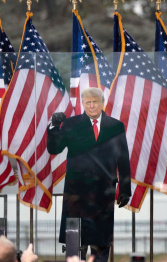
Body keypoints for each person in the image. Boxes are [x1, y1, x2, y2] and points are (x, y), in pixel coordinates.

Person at [47, 87, 131, 262]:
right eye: (88, 102)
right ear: (83, 104)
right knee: (76, 241)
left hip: (103, 192)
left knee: (101, 244)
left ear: (102, 103)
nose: (92, 106)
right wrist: (54, 127)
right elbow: (54, 148)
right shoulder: (71, 124)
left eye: (95, 102)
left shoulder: (115, 126)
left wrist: (125, 189)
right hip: (77, 193)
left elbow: (122, 159)